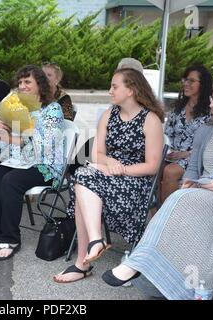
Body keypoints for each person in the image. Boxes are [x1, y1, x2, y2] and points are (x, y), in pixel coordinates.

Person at [103, 76, 213, 300]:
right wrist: (189, 181)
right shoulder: (207, 131)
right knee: (182, 197)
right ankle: (191, 288)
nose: (211, 104)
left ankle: (138, 262)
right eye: (212, 99)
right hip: (203, 196)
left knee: (181, 199)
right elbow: (192, 169)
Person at [53, 68, 164, 283]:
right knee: (83, 178)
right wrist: (109, 162)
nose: (110, 90)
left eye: (115, 86)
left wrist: (119, 168)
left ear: (131, 89)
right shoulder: (109, 114)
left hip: (136, 182)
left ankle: (83, 262)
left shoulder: (151, 120)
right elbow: (96, 152)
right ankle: (94, 242)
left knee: (81, 181)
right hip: (107, 174)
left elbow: (152, 166)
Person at [0, 65, 64, 261]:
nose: (22, 86)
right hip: (20, 160)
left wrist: (11, 137)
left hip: (45, 166)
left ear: (40, 85)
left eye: (27, 82)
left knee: (11, 181)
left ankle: (10, 239)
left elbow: (44, 148)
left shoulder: (52, 110)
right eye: (20, 82)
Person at [160, 66, 213, 202]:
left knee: (170, 172)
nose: (186, 84)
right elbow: (167, 134)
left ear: (203, 85)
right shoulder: (177, 108)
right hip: (172, 155)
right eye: (185, 80)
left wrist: (186, 154)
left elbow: (211, 144)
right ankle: (154, 214)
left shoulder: (211, 112)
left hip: (195, 157)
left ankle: (167, 214)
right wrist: (168, 151)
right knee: (152, 168)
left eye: (191, 81)